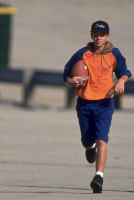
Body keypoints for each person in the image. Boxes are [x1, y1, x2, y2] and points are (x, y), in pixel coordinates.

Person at [63, 20, 132, 193]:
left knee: (102, 139)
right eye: (95, 34)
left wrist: (121, 82)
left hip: (105, 103)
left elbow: (124, 72)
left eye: (102, 35)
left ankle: (99, 177)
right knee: (87, 140)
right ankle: (89, 148)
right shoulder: (82, 53)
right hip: (85, 103)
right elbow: (66, 72)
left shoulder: (114, 53)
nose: (98, 38)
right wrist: (71, 81)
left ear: (107, 36)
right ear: (91, 35)